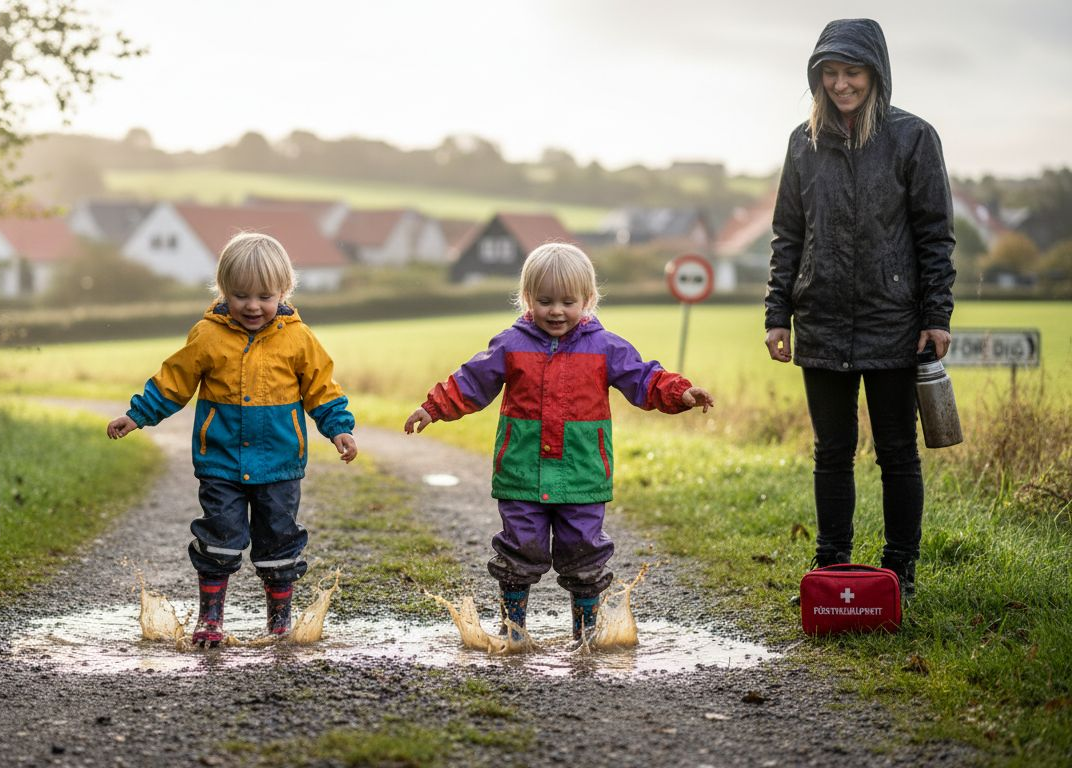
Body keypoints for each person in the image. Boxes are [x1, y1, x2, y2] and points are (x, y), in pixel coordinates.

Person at [404, 243, 714, 645]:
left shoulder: (605, 347)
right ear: (527, 299)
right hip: (521, 472)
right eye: (545, 301)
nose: (556, 311)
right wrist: (433, 408)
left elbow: (644, 378)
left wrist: (680, 393)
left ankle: (585, 635)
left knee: (584, 552)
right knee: (519, 549)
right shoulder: (510, 345)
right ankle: (513, 632)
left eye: (568, 302)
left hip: (582, 474)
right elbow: (471, 382)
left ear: (588, 300)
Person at [764, 19, 956, 600]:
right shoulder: (803, 142)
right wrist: (777, 314)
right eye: (830, 72)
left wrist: (937, 315)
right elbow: (788, 234)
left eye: (852, 72)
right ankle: (831, 567)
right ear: (817, 77)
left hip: (894, 321)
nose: (841, 84)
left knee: (897, 452)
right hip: (819, 319)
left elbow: (935, 235)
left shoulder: (913, 138)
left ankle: (900, 572)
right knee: (831, 452)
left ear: (875, 73)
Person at [108, 232, 358, 646]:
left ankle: (279, 622)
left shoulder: (298, 339)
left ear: (284, 291)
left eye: (264, 296)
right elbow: (173, 382)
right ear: (224, 290)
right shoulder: (207, 336)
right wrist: (137, 415)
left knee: (278, 542)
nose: (253, 305)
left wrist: (339, 428)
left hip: (279, 464)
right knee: (219, 538)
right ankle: (210, 619)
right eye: (241, 295)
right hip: (220, 462)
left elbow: (323, 390)